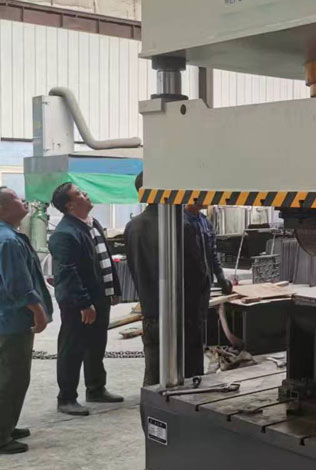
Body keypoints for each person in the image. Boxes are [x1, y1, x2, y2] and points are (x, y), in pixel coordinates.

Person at [124, 175, 209, 385]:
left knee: (154, 372)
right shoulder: (180, 225)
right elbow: (197, 272)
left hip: (150, 311)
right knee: (190, 376)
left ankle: (151, 404)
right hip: (182, 315)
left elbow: (133, 268)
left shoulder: (132, 226)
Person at [49, 182, 123, 415]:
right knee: (72, 349)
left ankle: (96, 388)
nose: (86, 194)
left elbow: (104, 259)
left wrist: (113, 289)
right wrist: (83, 303)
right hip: (78, 303)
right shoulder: (65, 233)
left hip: (99, 299)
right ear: (70, 205)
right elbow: (67, 272)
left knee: (96, 345)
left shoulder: (92, 224)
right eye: (79, 193)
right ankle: (66, 398)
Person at [0, 188, 52, 454]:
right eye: (18, 200)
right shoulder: (8, 240)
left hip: (6, 318)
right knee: (13, 377)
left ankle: (6, 424)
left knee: (7, 375)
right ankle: (2, 435)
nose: (24, 202)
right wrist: (38, 311)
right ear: (3, 209)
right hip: (13, 320)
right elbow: (18, 284)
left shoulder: (10, 235)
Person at [184, 198, 234, 371]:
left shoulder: (205, 222)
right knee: (188, 331)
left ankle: (197, 371)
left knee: (199, 329)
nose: (208, 201)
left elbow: (212, 253)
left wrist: (221, 278)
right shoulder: (181, 222)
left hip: (204, 285)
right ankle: (189, 371)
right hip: (187, 286)